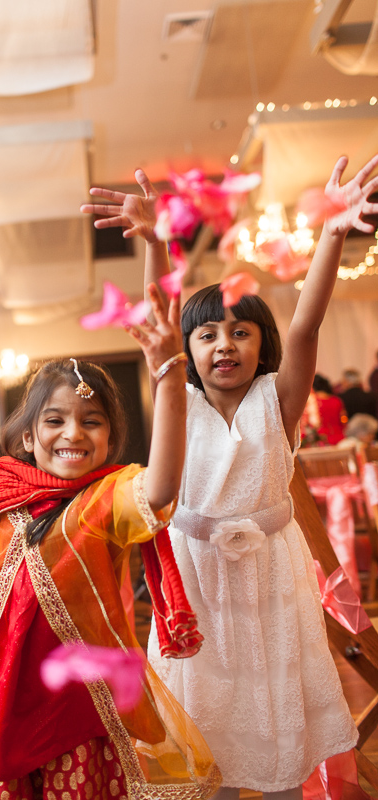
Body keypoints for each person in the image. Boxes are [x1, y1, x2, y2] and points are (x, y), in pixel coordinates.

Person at [80, 154, 378, 799]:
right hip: (194, 574)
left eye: (240, 333)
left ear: (259, 345)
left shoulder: (281, 397)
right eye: (208, 334)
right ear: (185, 349)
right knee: (201, 720)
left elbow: (307, 322)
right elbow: (162, 314)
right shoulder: (174, 398)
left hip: (271, 569)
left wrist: (332, 232)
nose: (224, 345)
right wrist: (156, 245)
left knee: (274, 711)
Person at [0, 286, 221, 800]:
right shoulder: (9, 493)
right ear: (29, 437)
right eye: (54, 420)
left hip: (77, 704)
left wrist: (167, 374)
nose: (72, 432)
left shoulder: (107, 498)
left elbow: (163, 487)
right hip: (5, 692)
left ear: (110, 438)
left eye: (90, 421)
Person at [311, 373, 346, 445]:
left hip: (321, 440)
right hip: (339, 438)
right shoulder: (336, 400)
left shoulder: (312, 401)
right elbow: (343, 421)